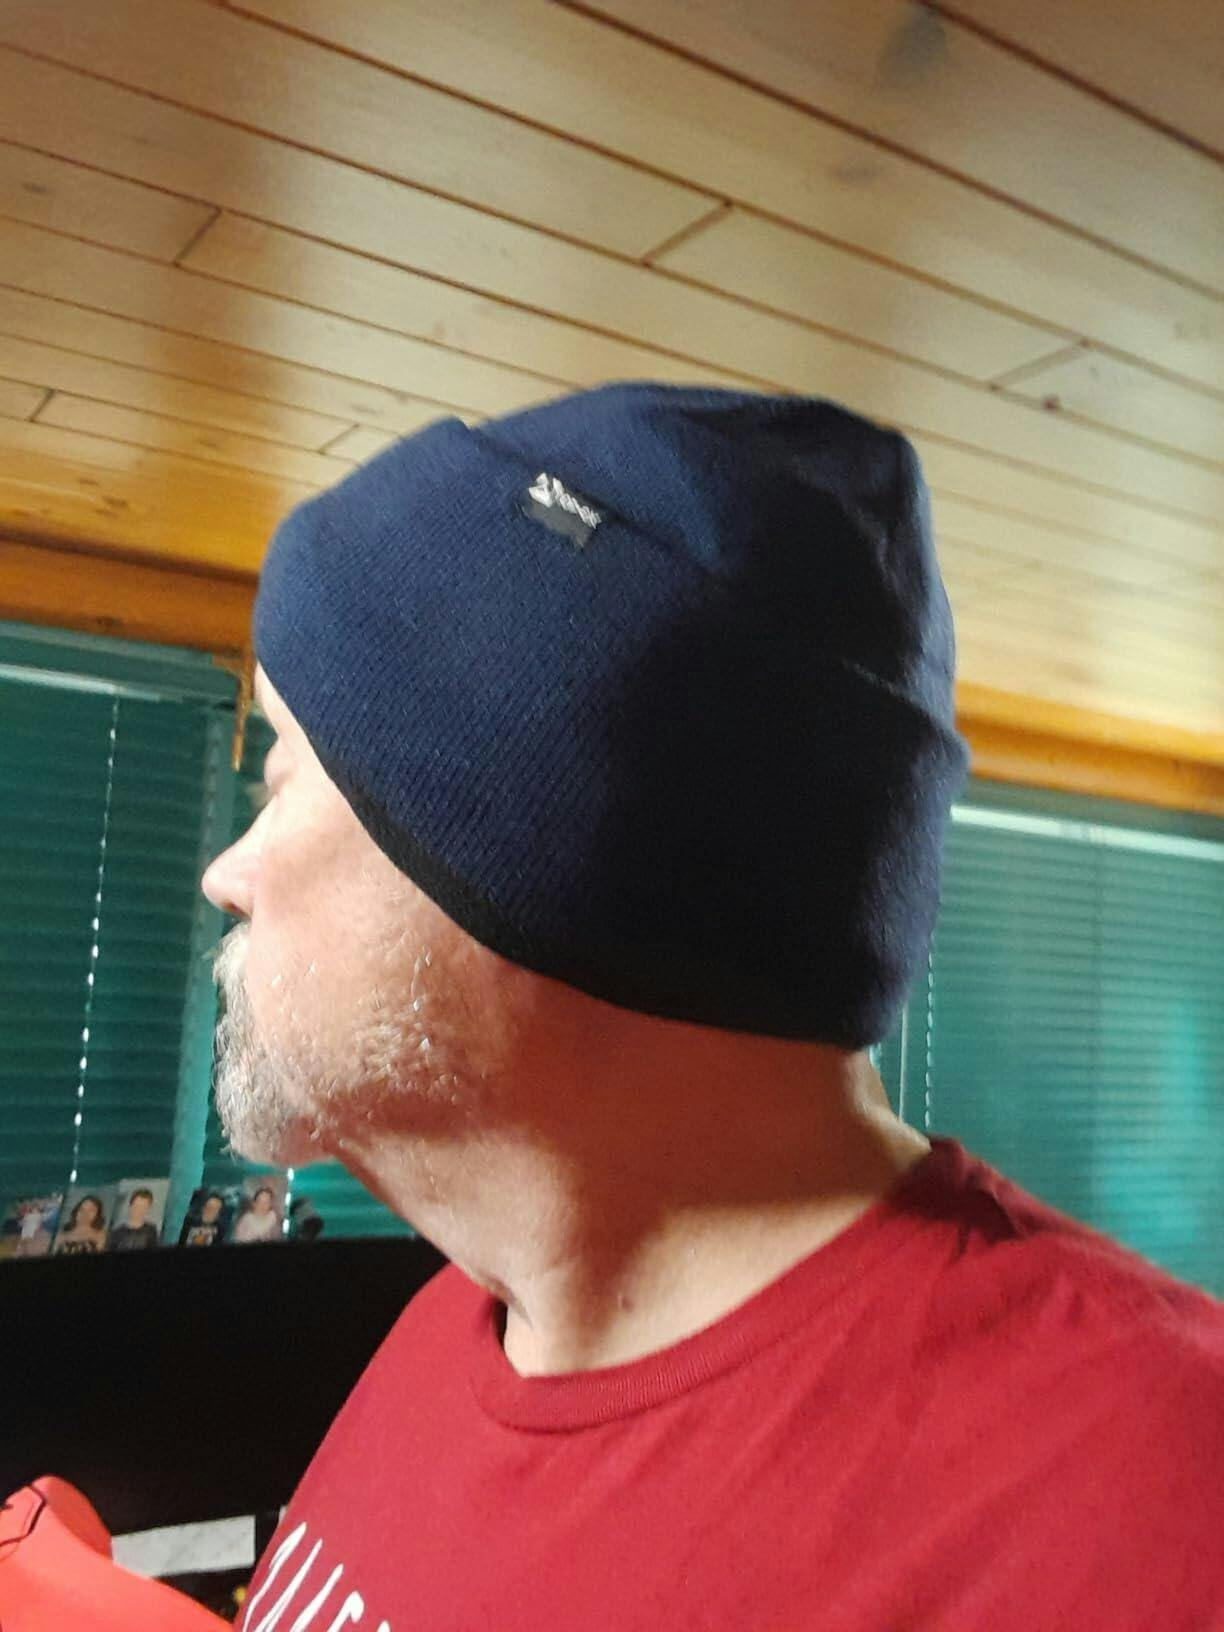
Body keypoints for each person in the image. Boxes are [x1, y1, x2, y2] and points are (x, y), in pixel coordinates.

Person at [201, 385, 1224, 1631]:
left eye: (280, 780)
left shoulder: (1148, 1506)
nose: (226, 875)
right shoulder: (461, 1330)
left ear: (517, 866)